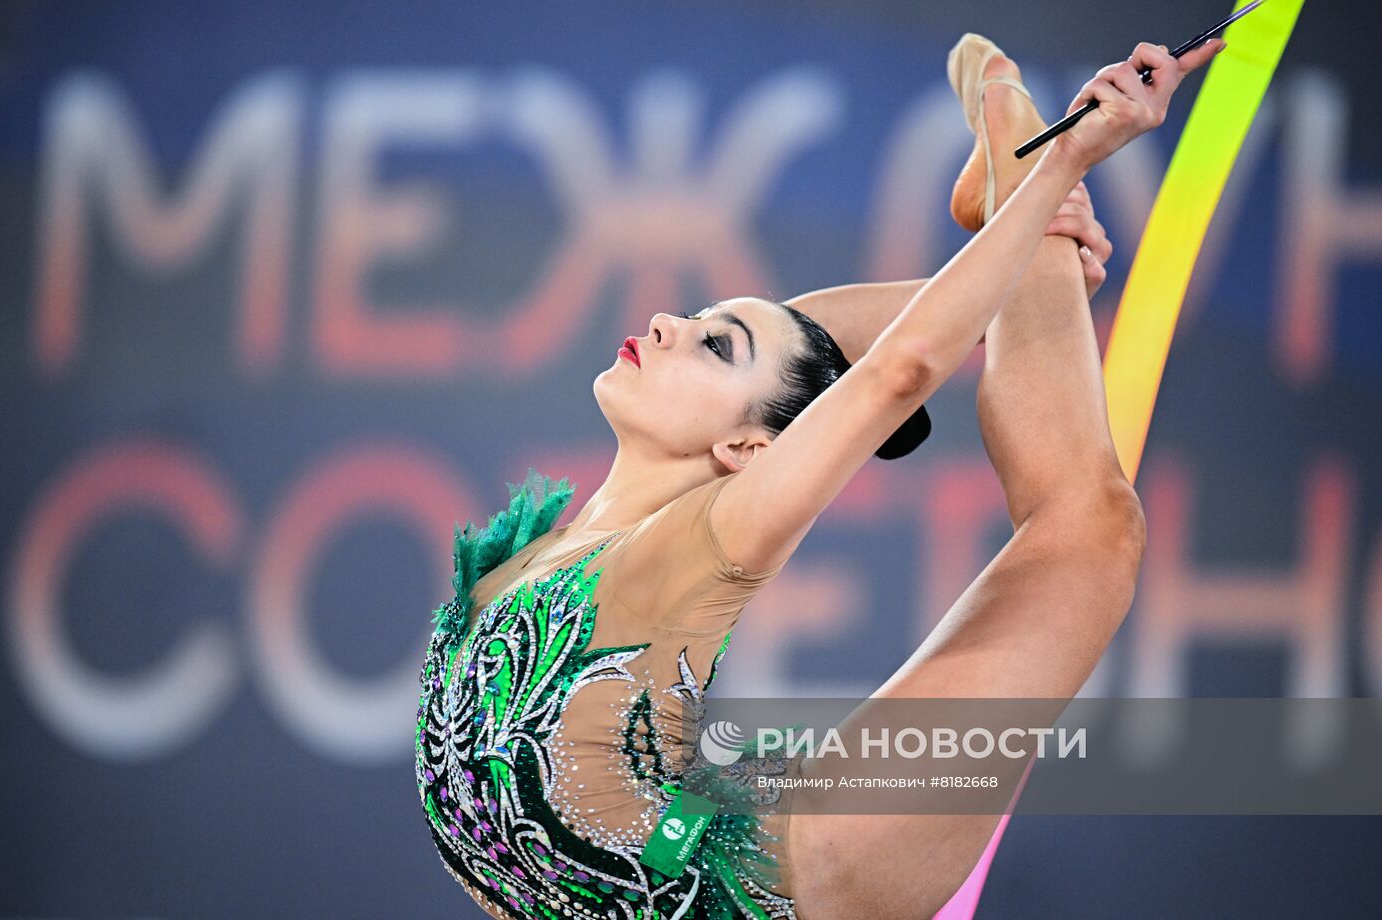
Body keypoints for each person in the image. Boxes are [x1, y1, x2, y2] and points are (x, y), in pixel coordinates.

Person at [415, 33, 1225, 920]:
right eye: (694, 321)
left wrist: (1059, 162)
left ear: (748, 456)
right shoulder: (547, 553)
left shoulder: (705, 540)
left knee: (1091, 531)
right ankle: (1015, 217)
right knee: (797, 350)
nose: (663, 320)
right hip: (704, 850)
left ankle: (1007, 131)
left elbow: (901, 369)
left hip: (804, 877)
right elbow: (819, 358)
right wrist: (1027, 242)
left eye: (708, 342)